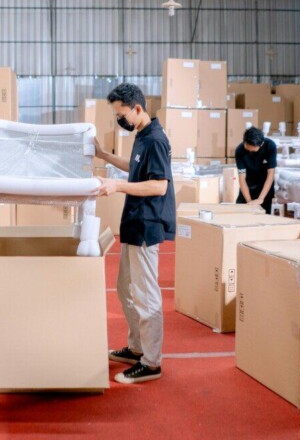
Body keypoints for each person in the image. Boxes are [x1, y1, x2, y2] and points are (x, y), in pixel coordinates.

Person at [94, 83, 175, 384]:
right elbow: (135, 168)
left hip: (146, 225)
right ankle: (137, 347)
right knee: (125, 289)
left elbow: (159, 185)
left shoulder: (156, 140)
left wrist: (116, 186)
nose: (120, 120)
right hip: (133, 222)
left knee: (145, 295)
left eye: (121, 114)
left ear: (137, 108)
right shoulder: (141, 135)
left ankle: (151, 363)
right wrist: (104, 156)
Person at [234, 126, 277, 214]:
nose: (250, 151)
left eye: (253, 150)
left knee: (264, 213)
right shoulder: (240, 150)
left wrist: (261, 199)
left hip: (264, 185)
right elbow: (242, 178)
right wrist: (249, 201)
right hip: (248, 184)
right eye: (248, 148)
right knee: (241, 211)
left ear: (260, 145)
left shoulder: (270, 146)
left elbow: (271, 173)